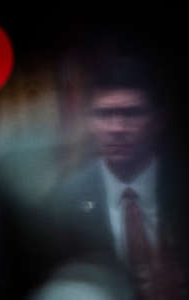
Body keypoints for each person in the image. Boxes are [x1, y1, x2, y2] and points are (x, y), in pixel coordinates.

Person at [52, 55, 189, 299]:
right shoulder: (64, 202)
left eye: (131, 113)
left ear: (158, 120)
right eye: (104, 114)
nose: (116, 128)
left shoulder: (181, 183)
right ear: (89, 121)